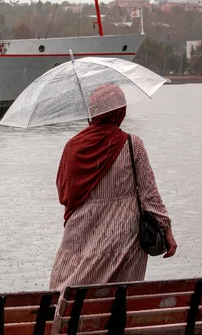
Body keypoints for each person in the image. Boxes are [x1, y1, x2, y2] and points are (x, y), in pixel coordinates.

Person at [49, 84, 177, 291]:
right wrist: (167, 229)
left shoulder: (73, 147)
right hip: (124, 242)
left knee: (69, 300)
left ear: (94, 111)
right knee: (118, 304)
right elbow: (149, 195)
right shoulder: (131, 144)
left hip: (80, 237)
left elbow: (65, 194)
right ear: (120, 112)